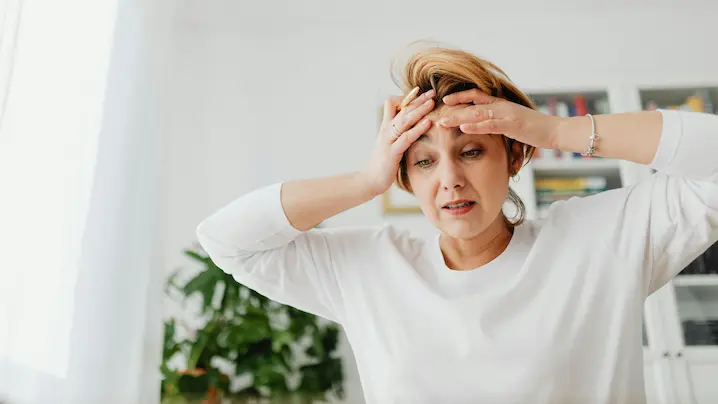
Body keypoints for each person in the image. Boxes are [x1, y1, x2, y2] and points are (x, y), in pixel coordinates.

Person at [195, 45, 718, 404]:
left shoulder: (601, 242)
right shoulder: (368, 268)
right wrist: (366, 179)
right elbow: (227, 241)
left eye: (471, 151)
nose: (450, 180)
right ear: (405, 175)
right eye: (423, 161)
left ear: (514, 156)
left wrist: (557, 129)